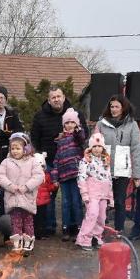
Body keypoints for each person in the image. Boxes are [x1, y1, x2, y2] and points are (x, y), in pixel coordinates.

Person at [31, 86, 88, 236]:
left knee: (72, 199)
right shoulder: (40, 116)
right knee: (48, 197)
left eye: (59, 96)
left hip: (72, 165)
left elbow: (84, 135)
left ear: (64, 97)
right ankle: (49, 227)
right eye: (53, 97)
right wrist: (39, 158)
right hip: (49, 162)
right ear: (49, 100)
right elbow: (34, 139)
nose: (56, 99)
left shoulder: (75, 114)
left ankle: (73, 226)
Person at [94, 94, 140, 232]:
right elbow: (93, 146)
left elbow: (136, 150)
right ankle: (100, 230)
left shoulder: (132, 124)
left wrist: (137, 175)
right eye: (111, 106)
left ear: (123, 108)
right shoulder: (101, 123)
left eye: (117, 107)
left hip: (123, 171)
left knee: (120, 202)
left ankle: (119, 231)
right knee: (102, 201)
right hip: (103, 170)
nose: (113, 109)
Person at [0, 134, 43, 254]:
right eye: (13, 148)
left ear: (25, 149)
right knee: (15, 221)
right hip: (13, 198)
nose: (15, 151)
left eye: (18, 148)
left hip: (27, 197)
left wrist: (27, 186)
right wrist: (10, 186)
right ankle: (17, 244)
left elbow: (39, 176)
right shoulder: (6, 162)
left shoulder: (32, 161)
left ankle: (28, 244)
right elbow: (1, 176)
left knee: (28, 221)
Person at [50, 108, 85, 242]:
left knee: (76, 202)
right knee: (65, 203)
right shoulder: (60, 140)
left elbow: (81, 138)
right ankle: (65, 228)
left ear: (76, 124)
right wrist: (55, 177)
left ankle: (78, 228)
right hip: (64, 178)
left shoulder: (77, 137)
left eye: (72, 122)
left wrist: (78, 130)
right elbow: (56, 160)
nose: (70, 125)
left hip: (76, 175)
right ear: (63, 125)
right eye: (67, 122)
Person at [75, 134, 114, 251]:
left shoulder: (105, 161)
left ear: (103, 148)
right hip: (92, 194)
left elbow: (109, 179)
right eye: (95, 146)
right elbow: (81, 178)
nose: (97, 149)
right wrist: (84, 194)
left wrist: (110, 197)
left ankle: (96, 237)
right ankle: (84, 238)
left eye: (99, 146)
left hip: (104, 194)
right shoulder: (86, 161)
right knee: (92, 214)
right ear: (91, 148)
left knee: (102, 217)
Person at [34, 152, 57, 241]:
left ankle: (42, 233)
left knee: (43, 218)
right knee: (35, 218)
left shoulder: (46, 176)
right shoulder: (32, 177)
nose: (40, 168)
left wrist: (54, 186)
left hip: (43, 202)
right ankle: (35, 233)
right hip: (35, 201)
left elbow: (49, 187)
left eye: (42, 166)